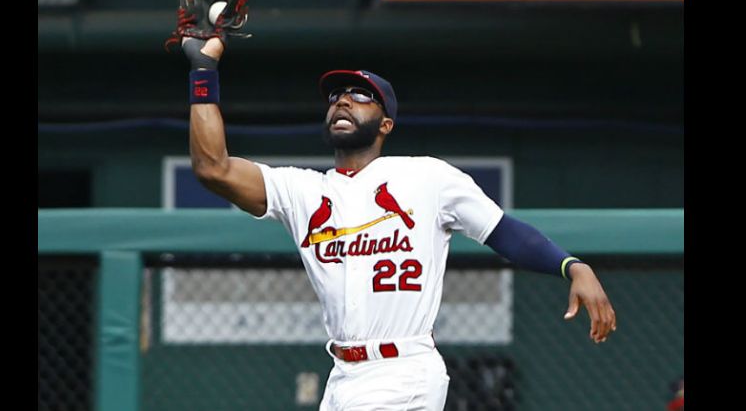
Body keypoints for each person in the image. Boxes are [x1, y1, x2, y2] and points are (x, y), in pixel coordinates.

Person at [182, 36, 617, 410]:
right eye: (336, 96)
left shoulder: (426, 177)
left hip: (403, 371)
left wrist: (572, 266)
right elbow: (213, 169)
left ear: (386, 123)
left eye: (360, 95)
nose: (343, 101)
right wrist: (204, 71)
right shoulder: (302, 192)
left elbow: (502, 232)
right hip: (342, 378)